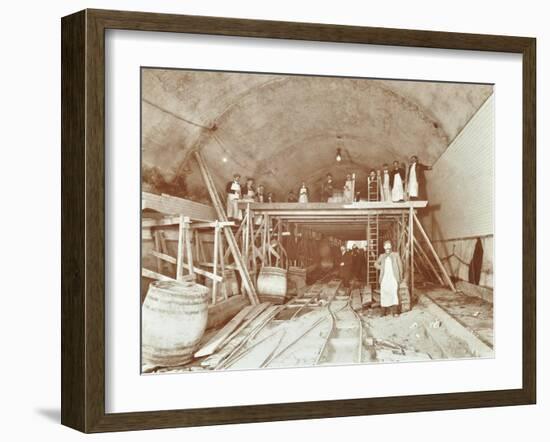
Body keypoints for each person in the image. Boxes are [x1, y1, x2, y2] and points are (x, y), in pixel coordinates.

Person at [374, 240, 403, 317]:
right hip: (384, 278)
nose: (387, 247)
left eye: (389, 245)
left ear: (391, 247)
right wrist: (381, 267)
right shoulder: (382, 256)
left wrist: (400, 277)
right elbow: (375, 264)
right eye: (386, 246)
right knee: (384, 293)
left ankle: (395, 312)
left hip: (393, 278)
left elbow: (400, 267)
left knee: (394, 293)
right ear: (384, 247)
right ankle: (383, 312)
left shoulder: (396, 255)